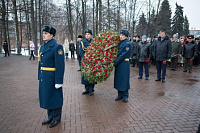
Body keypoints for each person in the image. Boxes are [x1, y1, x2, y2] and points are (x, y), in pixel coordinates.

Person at [38, 25, 65, 128]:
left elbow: (60, 65)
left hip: (53, 77)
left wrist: (59, 81)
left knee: (55, 98)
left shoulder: (57, 47)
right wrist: (39, 76)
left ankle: (56, 118)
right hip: (44, 77)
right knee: (47, 97)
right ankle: (50, 116)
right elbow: (40, 63)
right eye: (43, 33)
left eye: (46, 33)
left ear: (52, 35)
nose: (43, 35)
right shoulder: (42, 46)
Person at [114, 29, 131, 103]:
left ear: (126, 36)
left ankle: (125, 95)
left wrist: (115, 62)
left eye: (122, 35)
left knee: (124, 79)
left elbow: (123, 55)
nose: (121, 36)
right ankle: (119, 94)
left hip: (124, 64)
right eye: (120, 35)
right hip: (119, 64)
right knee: (118, 79)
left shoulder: (128, 44)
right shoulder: (119, 43)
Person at [80, 29, 96, 96]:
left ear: (91, 35)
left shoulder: (94, 42)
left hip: (92, 62)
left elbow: (96, 51)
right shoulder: (82, 42)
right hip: (85, 61)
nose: (87, 35)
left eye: (88, 34)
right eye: (86, 34)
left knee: (91, 76)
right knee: (85, 76)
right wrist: (84, 59)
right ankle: (86, 89)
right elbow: (81, 52)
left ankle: (91, 89)